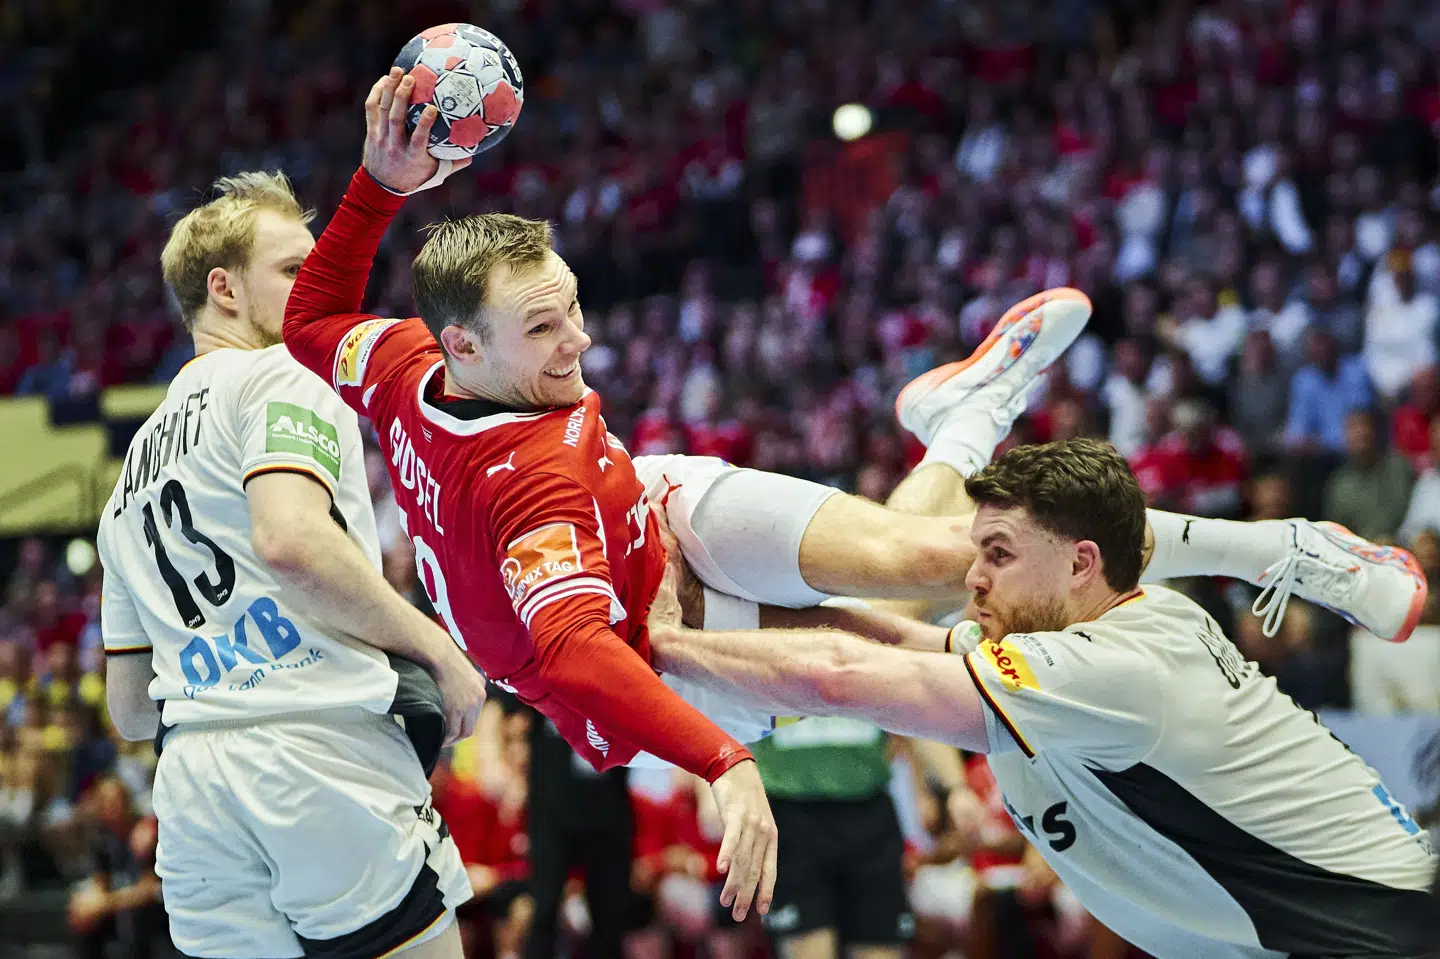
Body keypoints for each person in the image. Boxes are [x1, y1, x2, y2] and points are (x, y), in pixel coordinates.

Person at [283, 69, 1429, 922]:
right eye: (547, 328)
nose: (581, 339)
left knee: (924, 548)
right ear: (467, 344)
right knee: (957, 591)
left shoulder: (401, 361)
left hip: (653, 503)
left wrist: (377, 188)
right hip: (648, 640)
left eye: (575, 304)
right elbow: (583, 655)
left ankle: (1267, 542)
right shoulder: (522, 485)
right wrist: (725, 765)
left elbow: (313, 318)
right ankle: (985, 431)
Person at [646, 438, 1439, 958]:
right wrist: (700, 612)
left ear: (1080, 563)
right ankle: (959, 428)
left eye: (998, 554)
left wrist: (665, 644)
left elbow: (841, 676)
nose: (971, 577)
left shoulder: (1107, 671)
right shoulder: (1079, 641)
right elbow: (888, 637)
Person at [96, 173, 487, 959]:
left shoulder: (127, 476)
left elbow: (133, 709)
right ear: (224, 288)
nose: (315, 285)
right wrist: (438, 649)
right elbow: (292, 541)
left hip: (196, 794)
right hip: (316, 754)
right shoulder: (282, 372)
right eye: (291, 270)